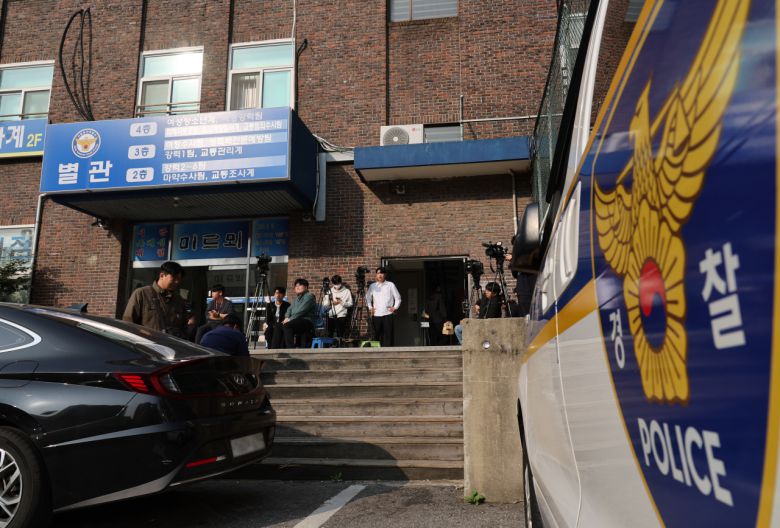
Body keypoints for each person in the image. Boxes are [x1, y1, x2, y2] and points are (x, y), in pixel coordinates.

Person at [122, 261, 189, 337]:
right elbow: (128, 323)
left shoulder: (178, 300)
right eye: (174, 278)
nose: (177, 282)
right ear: (162, 275)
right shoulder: (142, 294)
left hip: (170, 343)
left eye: (179, 279)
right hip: (146, 342)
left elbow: (184, 327)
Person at [365, 267, 402, 347]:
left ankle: (389, 352)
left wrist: (395, 307)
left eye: (382, 273)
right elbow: (368, 298)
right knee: (376, 335)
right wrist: (370, 307)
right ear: (376, 275)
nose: (380, 275)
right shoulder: (372, 286)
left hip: (388, 314)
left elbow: (398, 298)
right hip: (376, 314)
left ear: (385, 274)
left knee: (388, 335)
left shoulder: (390, 285)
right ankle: (376, 352)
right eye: (378, 273)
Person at [283, 278, 318, 348]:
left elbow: (301, 310)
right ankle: (276, 349)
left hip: (306, 321)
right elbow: (289, 309)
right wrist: (287, 317)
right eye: (296, 286)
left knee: (287, 325)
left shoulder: (309, 296)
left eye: (300, 285)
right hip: (296, 320)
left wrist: (290, 319)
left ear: (306, 287)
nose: (297, 287)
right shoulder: (296, 299)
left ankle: (290, 349)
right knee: (278, 326)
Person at [322, 275, 353, 339]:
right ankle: (330, 344)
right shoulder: (329, 291)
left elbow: (350, 304)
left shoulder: (346, 291)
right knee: (330, 333)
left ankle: (340, 343)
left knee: (340, 333)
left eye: (338, 284)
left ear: (341, 282)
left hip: (342, 314)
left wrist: (341, 302)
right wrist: (331, 303)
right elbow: (324, 304)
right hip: (331, 314)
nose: (337, 285)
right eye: (335, 284)